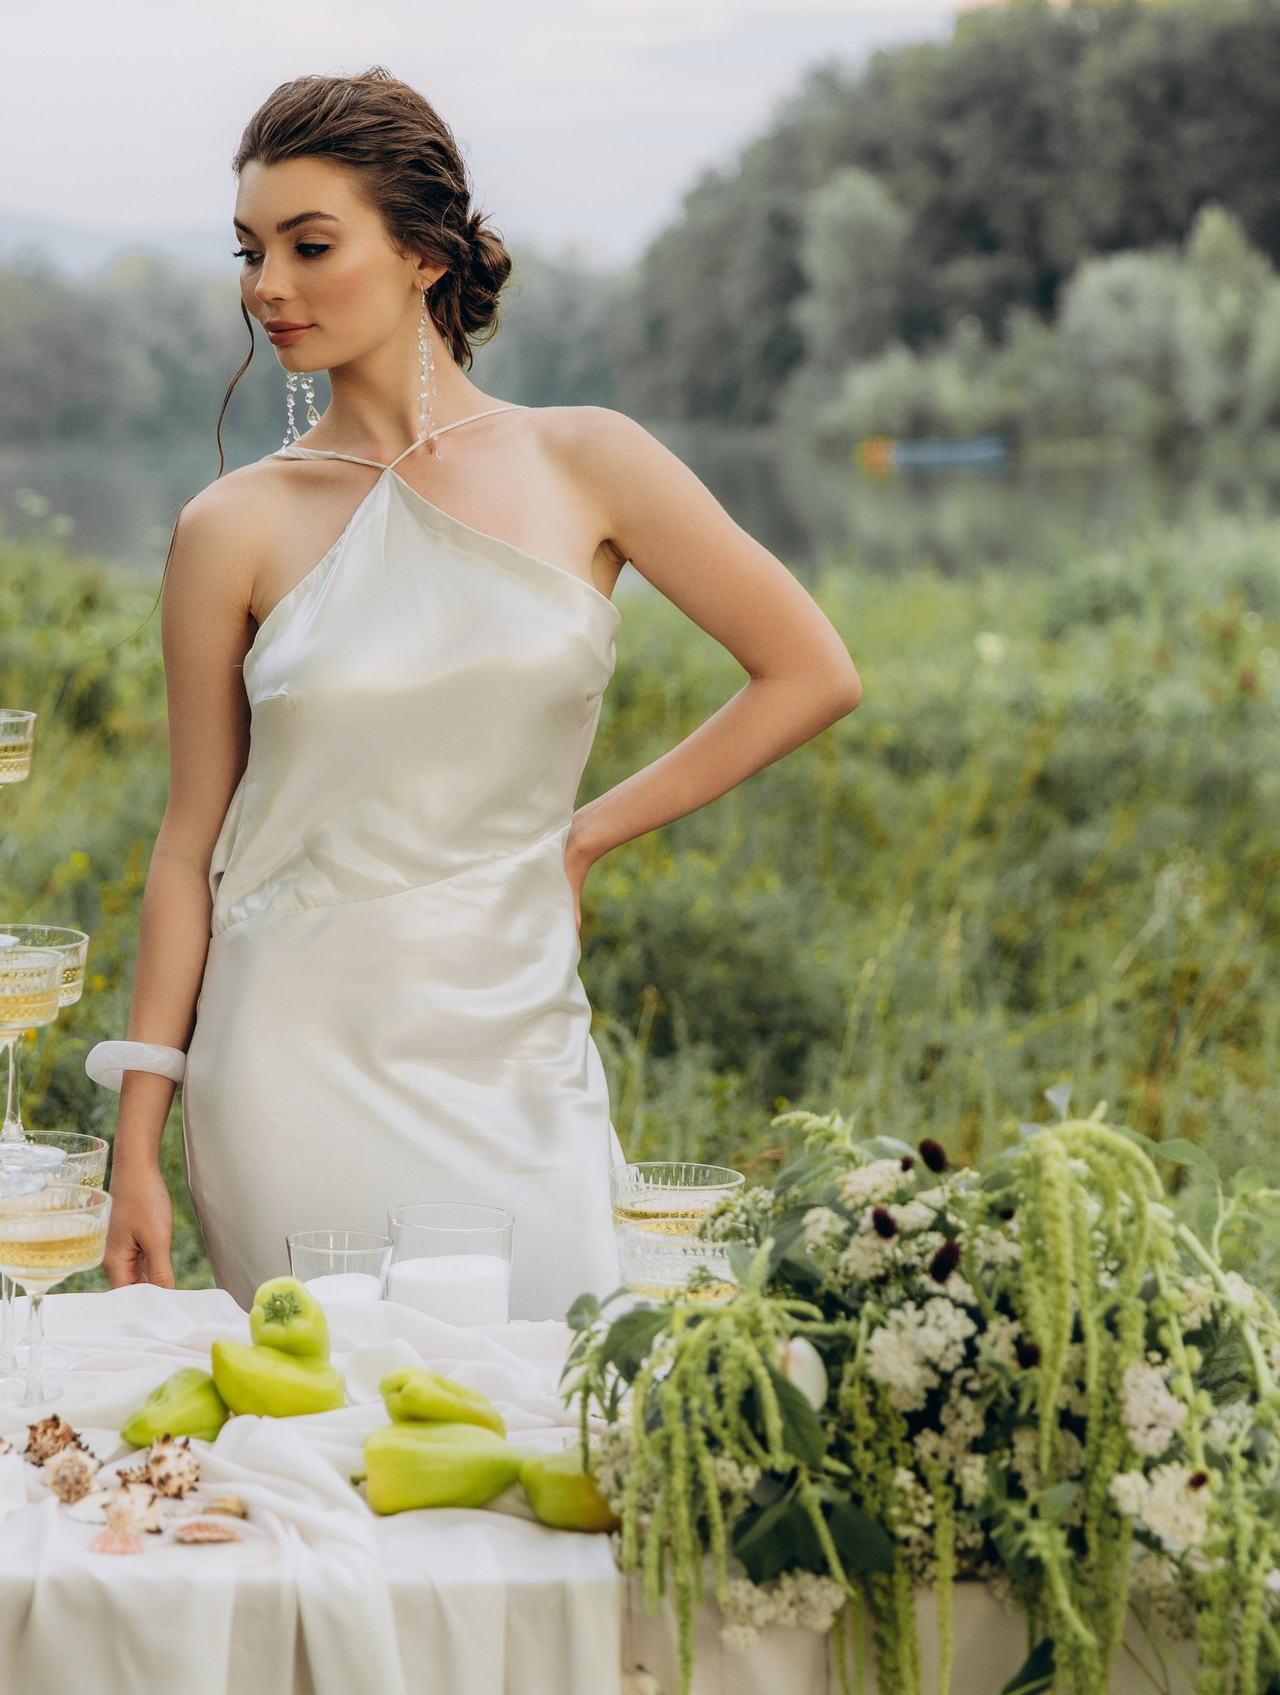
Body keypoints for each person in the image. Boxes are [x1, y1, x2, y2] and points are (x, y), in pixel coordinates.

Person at [93, 69, 860, 1319]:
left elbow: (811, 673)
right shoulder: (230, 525)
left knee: (561, 1381)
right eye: (248, 251)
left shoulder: (588, 459)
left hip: (517, 1037)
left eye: (308, 245)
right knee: (335, 1409)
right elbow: (189, 846)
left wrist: (585, 837)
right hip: (287, 1059)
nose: (266, 286)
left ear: (424, 254)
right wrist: (136, 1140)